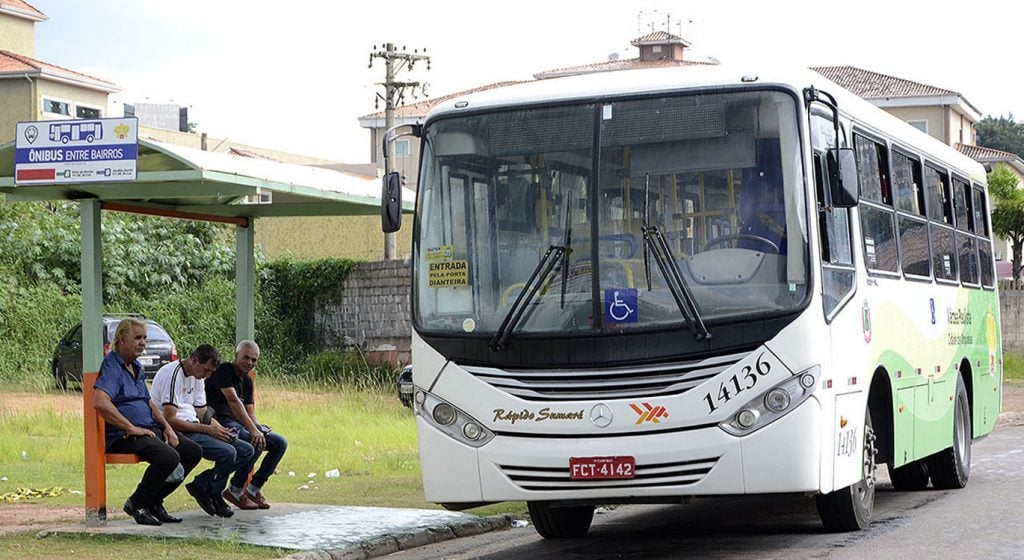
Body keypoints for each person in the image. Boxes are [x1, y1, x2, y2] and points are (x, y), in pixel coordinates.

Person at [92, 317, 202, 526]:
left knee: (192, 452)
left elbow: (149, 403)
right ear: (122, 339)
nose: (143, 342)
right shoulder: (112, 365)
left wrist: (167, 427)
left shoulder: (136, 367)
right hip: (123, 435)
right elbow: (100, 402)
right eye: (137, 338)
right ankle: (138, 503)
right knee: (169, 457)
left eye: (144, 338)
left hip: (149, 429)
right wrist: (131, 428)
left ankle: (154, 501)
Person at [149, 343, 255, 518]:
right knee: (227, 453)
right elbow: (171, 420)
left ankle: (204, 485)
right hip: (176, 430)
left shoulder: (198, 378)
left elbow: (202, 411)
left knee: (246, 450)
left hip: (195, 426)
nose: (208, 376)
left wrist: (219, 428)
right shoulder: (173, 374)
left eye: (211, 372)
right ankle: (214, 493)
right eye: (206, 370)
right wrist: (208, 430)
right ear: (195, 360)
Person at [206, 340, 287, 510]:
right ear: (236, 356)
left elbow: (250, 412)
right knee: (253, 441)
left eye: (254, 360)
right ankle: (235, 490)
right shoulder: (224, 371)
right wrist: (253, 430)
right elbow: (233, 401)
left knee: (279, 443)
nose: (249, 363)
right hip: (220, 422)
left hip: (239, 424)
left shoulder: (247, 381)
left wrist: (259, 428)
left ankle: (253, 489)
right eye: (246, 358)